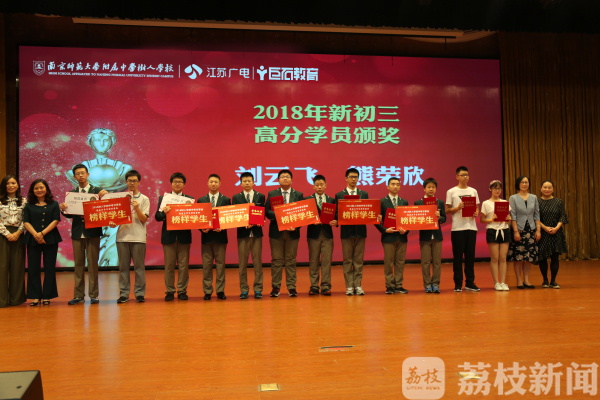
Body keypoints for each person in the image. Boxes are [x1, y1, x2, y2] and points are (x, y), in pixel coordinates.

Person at [60, 164, 108, 305]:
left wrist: (106, 196)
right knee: (78, 265)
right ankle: (78, 296)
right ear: (74, 177)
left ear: (88, 174)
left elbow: (106, 208)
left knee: (93, 264)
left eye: (82, 173)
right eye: (77, 174)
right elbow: (69, 214)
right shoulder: (72, 194)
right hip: (77, 232)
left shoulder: (97, 192)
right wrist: (63, 209)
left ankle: (94, 295)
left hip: (93, 231)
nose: (80, 176)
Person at [109, 170, 150, 303]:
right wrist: (112, 223)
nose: (132, 183)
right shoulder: (119, 198)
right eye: (129, 181)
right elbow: (115, 219)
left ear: (139, 182)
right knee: (123, 268)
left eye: (134, 181)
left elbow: (144, 219)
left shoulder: (144, 199)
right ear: (126, 182)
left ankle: (139, 294)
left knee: (139, 268)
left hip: (138, 238)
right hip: (122, 237)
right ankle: (124, 294)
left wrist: (137, 208)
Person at [155, 172, 194, 301]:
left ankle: (182, 290)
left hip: (184, 237)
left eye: (180, 182)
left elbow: (194, 218)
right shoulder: (164, 198)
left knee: (183, 266)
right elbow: (157, 217)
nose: (177, 184)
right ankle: (170, 291)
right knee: (169, 266)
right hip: (169, 237)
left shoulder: (189, 200)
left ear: (184, 184)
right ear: (171, 183)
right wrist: (164, 212)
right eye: (175, 182)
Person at [265, 169, 304, 298]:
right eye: (282, 177)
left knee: (291, 260)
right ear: (278, 180)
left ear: (291, 180)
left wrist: (296, 226)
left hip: (292, 232)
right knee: (276, 260)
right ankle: (275, 287)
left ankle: (291, 287)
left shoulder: (298, 194)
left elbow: (302, 213)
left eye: (287, 176)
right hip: (276, 232)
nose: (285, 178)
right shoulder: (272, 194)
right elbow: (267, 211)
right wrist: (279, 214)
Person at [23, 179, 62, 306]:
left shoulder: (54, 204)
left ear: (46, 189)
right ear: (32, 191)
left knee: (49, 268)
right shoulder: (28, 205)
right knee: (33, 268)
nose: (39, 190)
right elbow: (26, 222)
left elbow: (56, 220)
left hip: (50, 239)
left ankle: (47, 296)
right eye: (36, 188)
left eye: (41, 187)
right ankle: (35, 296)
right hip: (32, 239)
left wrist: (42, 234)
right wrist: (36, 234)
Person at [335, 168, 370, 296]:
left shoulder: (364, 194)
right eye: (351, 177)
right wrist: (337, 219)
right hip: (347, 232)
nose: (354, 179)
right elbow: (337, 213)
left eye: (356, 177)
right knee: (347, 260)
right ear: (346, 178)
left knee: (359, 260)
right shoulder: (339, 195)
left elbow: (368, 210)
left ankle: (358, 285)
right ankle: (349, 286)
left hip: (360, 232)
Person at [445, 166, 480, 292]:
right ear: (457, 177)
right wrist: (457, 208)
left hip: (471, 227)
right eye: (463, 175)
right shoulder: (451, 192)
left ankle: (470, 282)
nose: (466, 177)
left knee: (470, 256)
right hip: (458, 228)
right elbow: (447, 210)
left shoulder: (473, 191)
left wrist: (476, 213)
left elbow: (477, 207)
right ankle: (458, 283)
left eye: (467, 175)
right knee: (458, 257)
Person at [231, 172, 265, 299]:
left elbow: (263, 213)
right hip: (242, 234)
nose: (247, 183)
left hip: (256, 234)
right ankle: (244, 289)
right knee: (242, 263)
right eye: (244, 181)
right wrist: (242, 223)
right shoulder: (236, 197)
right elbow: (234, 215)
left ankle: (258, 289)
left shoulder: (260, 196)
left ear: (253, 182)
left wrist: (261, 220)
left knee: (258, 263)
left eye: (249, 181)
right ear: (240, 183)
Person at [198, 174, 231, 300]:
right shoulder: (201, 200)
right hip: (206, 238)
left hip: (220, 237)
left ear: (219, 184)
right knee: (207, 266)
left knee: (220, 265)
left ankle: (220, 290)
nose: (213, 184)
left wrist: (224, 226)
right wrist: (202, 228)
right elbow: (198, 219)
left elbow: (229, 218)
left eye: (215, 182)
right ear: (207, 183)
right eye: (211, 182)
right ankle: (207, 291)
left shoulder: (226, 199)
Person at [376, 177, 409, 294]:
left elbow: (408, 219)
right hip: (388, 237)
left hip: (402, 236)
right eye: (393, 184)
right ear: (388, 186)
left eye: (397, 184)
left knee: (400, 261)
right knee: (389, 262)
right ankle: (389, 285)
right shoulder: (382, 202)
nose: (395, 186)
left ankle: (399, 285)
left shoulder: (404, 202)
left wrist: (406, 230)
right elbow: (376, 220)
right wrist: (385, 230)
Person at [507, 175, 541, 289]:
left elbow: (536, 214)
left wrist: (538, 230)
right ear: (518, 184)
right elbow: (513, 216)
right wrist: (515, 231)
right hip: (519, 229)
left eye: (526, 182)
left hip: (531, 229)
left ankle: (526, 280)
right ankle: (519, 281)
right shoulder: (513, 198)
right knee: (518, 257)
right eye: (522, 182)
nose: (524, 184)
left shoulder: (534, 197)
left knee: (528, 257)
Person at [305, 175, 336, 296]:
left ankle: (326, 286)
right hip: (313, 235)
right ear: (313, 186)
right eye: (317, 185)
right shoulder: (308, 200)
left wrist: (336, 221)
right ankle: (314, 286)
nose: (319, 187)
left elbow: (336, 216)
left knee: (326, 262)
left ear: (325, 185)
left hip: (327, 235)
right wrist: (310, 220)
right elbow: (304, 217)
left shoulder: (331, 200)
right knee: (313, 261)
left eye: (321, 184)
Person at [414, 178, 446, 293]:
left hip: (437, 236)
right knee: (425, 262)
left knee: (437, 262)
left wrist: (439, 217)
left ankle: (436, 284)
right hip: (425, 236)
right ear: (424, 188)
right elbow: (416, 219)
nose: (431, 189)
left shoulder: (440, 202)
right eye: (429, 187)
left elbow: (444, 218)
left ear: (436, 189)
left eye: (433, 187)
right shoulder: (418, 203)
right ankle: (427, 284)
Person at [479, 180, 511, 291]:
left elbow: (508, 218)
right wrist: (491, 219)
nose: (497, 190)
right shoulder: (486, 203)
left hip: (504, 230)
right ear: (490, 189)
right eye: (495, 188)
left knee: (503, 258)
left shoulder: (504, 202)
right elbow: (482, 220)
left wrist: (509, 219)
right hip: (492, 230)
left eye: (499, 189)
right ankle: (496, 282)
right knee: (495, 258)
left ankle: (503, 282)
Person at [0, 175, 27, 308]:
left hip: (18, 235)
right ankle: (2, 300)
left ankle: (16, 299)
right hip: (2, 235)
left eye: (13, 183)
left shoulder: (23, 201)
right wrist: (7, 234)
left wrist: (17, 233)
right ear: (3, 186)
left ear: (17, 185)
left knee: (17, 267)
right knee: (2, 267)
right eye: (8, 183)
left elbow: (26, 219)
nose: (11, 186)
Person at [538, 180, 568, 289]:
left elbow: (562, 216)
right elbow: (535, 218)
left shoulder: (558, 201)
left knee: (555, 257)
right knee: (542, 258)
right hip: (542, 232)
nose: (547, 189)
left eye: (549, 187)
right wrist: (545, 228)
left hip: (556, 232)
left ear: (553, 189)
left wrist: (556, 228)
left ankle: (553, 281)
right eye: (545, 187)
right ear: (541, 189)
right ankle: (545, 280)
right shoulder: (537, 202)